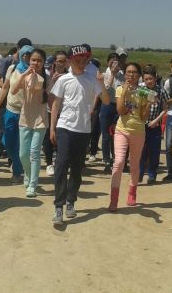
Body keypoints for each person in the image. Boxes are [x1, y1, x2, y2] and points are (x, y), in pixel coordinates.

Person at [50, 44, 109, 225]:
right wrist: (52, 128)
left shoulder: (92, 79)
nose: (82, 63)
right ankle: (58, 206)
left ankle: (71, 201)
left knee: (77, 168)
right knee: (61, 165)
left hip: (83, 129)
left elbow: (106, 101)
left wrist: (101, 83)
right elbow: (56, 105)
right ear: (70, 61)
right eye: (78, 60)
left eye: (85, 60)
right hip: (64, 126)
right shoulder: (63, 80)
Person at [108, 62, 150, 212]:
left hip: (138, 132)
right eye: (128, 72)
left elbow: (144, 117)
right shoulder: (120, 89)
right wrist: (125, 92)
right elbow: (120, 111)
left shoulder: (143, 92)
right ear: (125, 74)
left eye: (134, 72)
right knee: (118, 162)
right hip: (122, 130)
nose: (131, 75)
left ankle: (132, 192)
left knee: (134, 164)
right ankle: (114, 199)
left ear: (139, 75)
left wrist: (149, 103)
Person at [0, 39, 33, 182]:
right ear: (21, 55)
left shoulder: (35, 72)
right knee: (7, 141)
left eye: (30, 56)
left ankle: (17, 171)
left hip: (26, 113)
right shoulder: (13, 68)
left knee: (22, 144)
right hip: (10, 110)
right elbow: (5, 88)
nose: (27, 58)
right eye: (25, 55)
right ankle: (19, 165)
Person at [12, 48, 49, 197]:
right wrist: (24, 74)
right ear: (29, 60)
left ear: (44, 62)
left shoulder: (48, 78)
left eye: (39, 60)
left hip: (41, 120)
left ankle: (33, 184)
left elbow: (53, 99)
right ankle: (27, 174)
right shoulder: (25, 76)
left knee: (34, 153)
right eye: (33, 60)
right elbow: (13, 90)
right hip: (25, 119)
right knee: (23, 154)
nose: (36, 63)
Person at [138, 65, 167, 184]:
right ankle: (139, 174)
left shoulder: (161, 91)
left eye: (151, 78)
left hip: (155, 126)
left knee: (154, 152)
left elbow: (165, 109)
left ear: (155, 78)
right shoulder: (140, 89)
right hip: (141, 125)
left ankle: (152, 174)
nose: (149, 81)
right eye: (146, 79)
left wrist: (156, 120)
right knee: (141, 151)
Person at [42, 50, 68, 175]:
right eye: (59, 61)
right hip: (49, 109)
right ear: (54, 62)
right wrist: (52, 81)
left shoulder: (70, 76)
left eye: (64, 61)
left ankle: (59, 162)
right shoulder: (48, 75)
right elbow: (46, 94)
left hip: (64, 111)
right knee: (49, 137)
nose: (61, 63)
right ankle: (49, 163)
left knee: (61, 138)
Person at [99, 52, 124, 172]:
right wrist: (113, 75)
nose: (114, 64)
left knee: (117, 134)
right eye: (111, 61)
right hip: (107, 105)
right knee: (105, 135)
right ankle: (106, 160)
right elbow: (107, 90)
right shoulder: (104, 75)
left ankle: (116, 159)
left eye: (116, 62)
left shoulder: (122, 75)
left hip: (118, 105)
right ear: (107, 62)